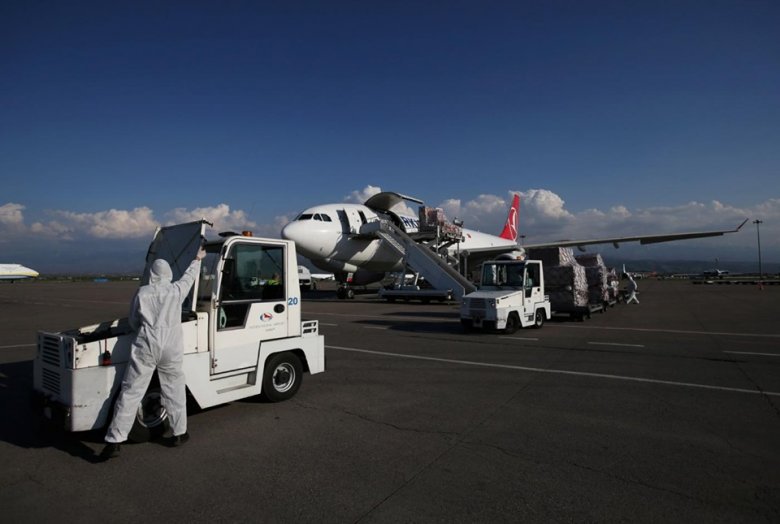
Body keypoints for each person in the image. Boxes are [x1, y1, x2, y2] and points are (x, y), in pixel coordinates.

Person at [99, 247, 206, 461]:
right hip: (171, 347)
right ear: (167, 274)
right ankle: (179, 433)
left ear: (152, 274)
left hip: (146, 345)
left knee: (131, 392)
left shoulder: (142, 293)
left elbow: (133, 321)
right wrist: (197, 259)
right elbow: (189, 277)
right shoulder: (176, 290)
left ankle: (114, 440)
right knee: (174, 390)